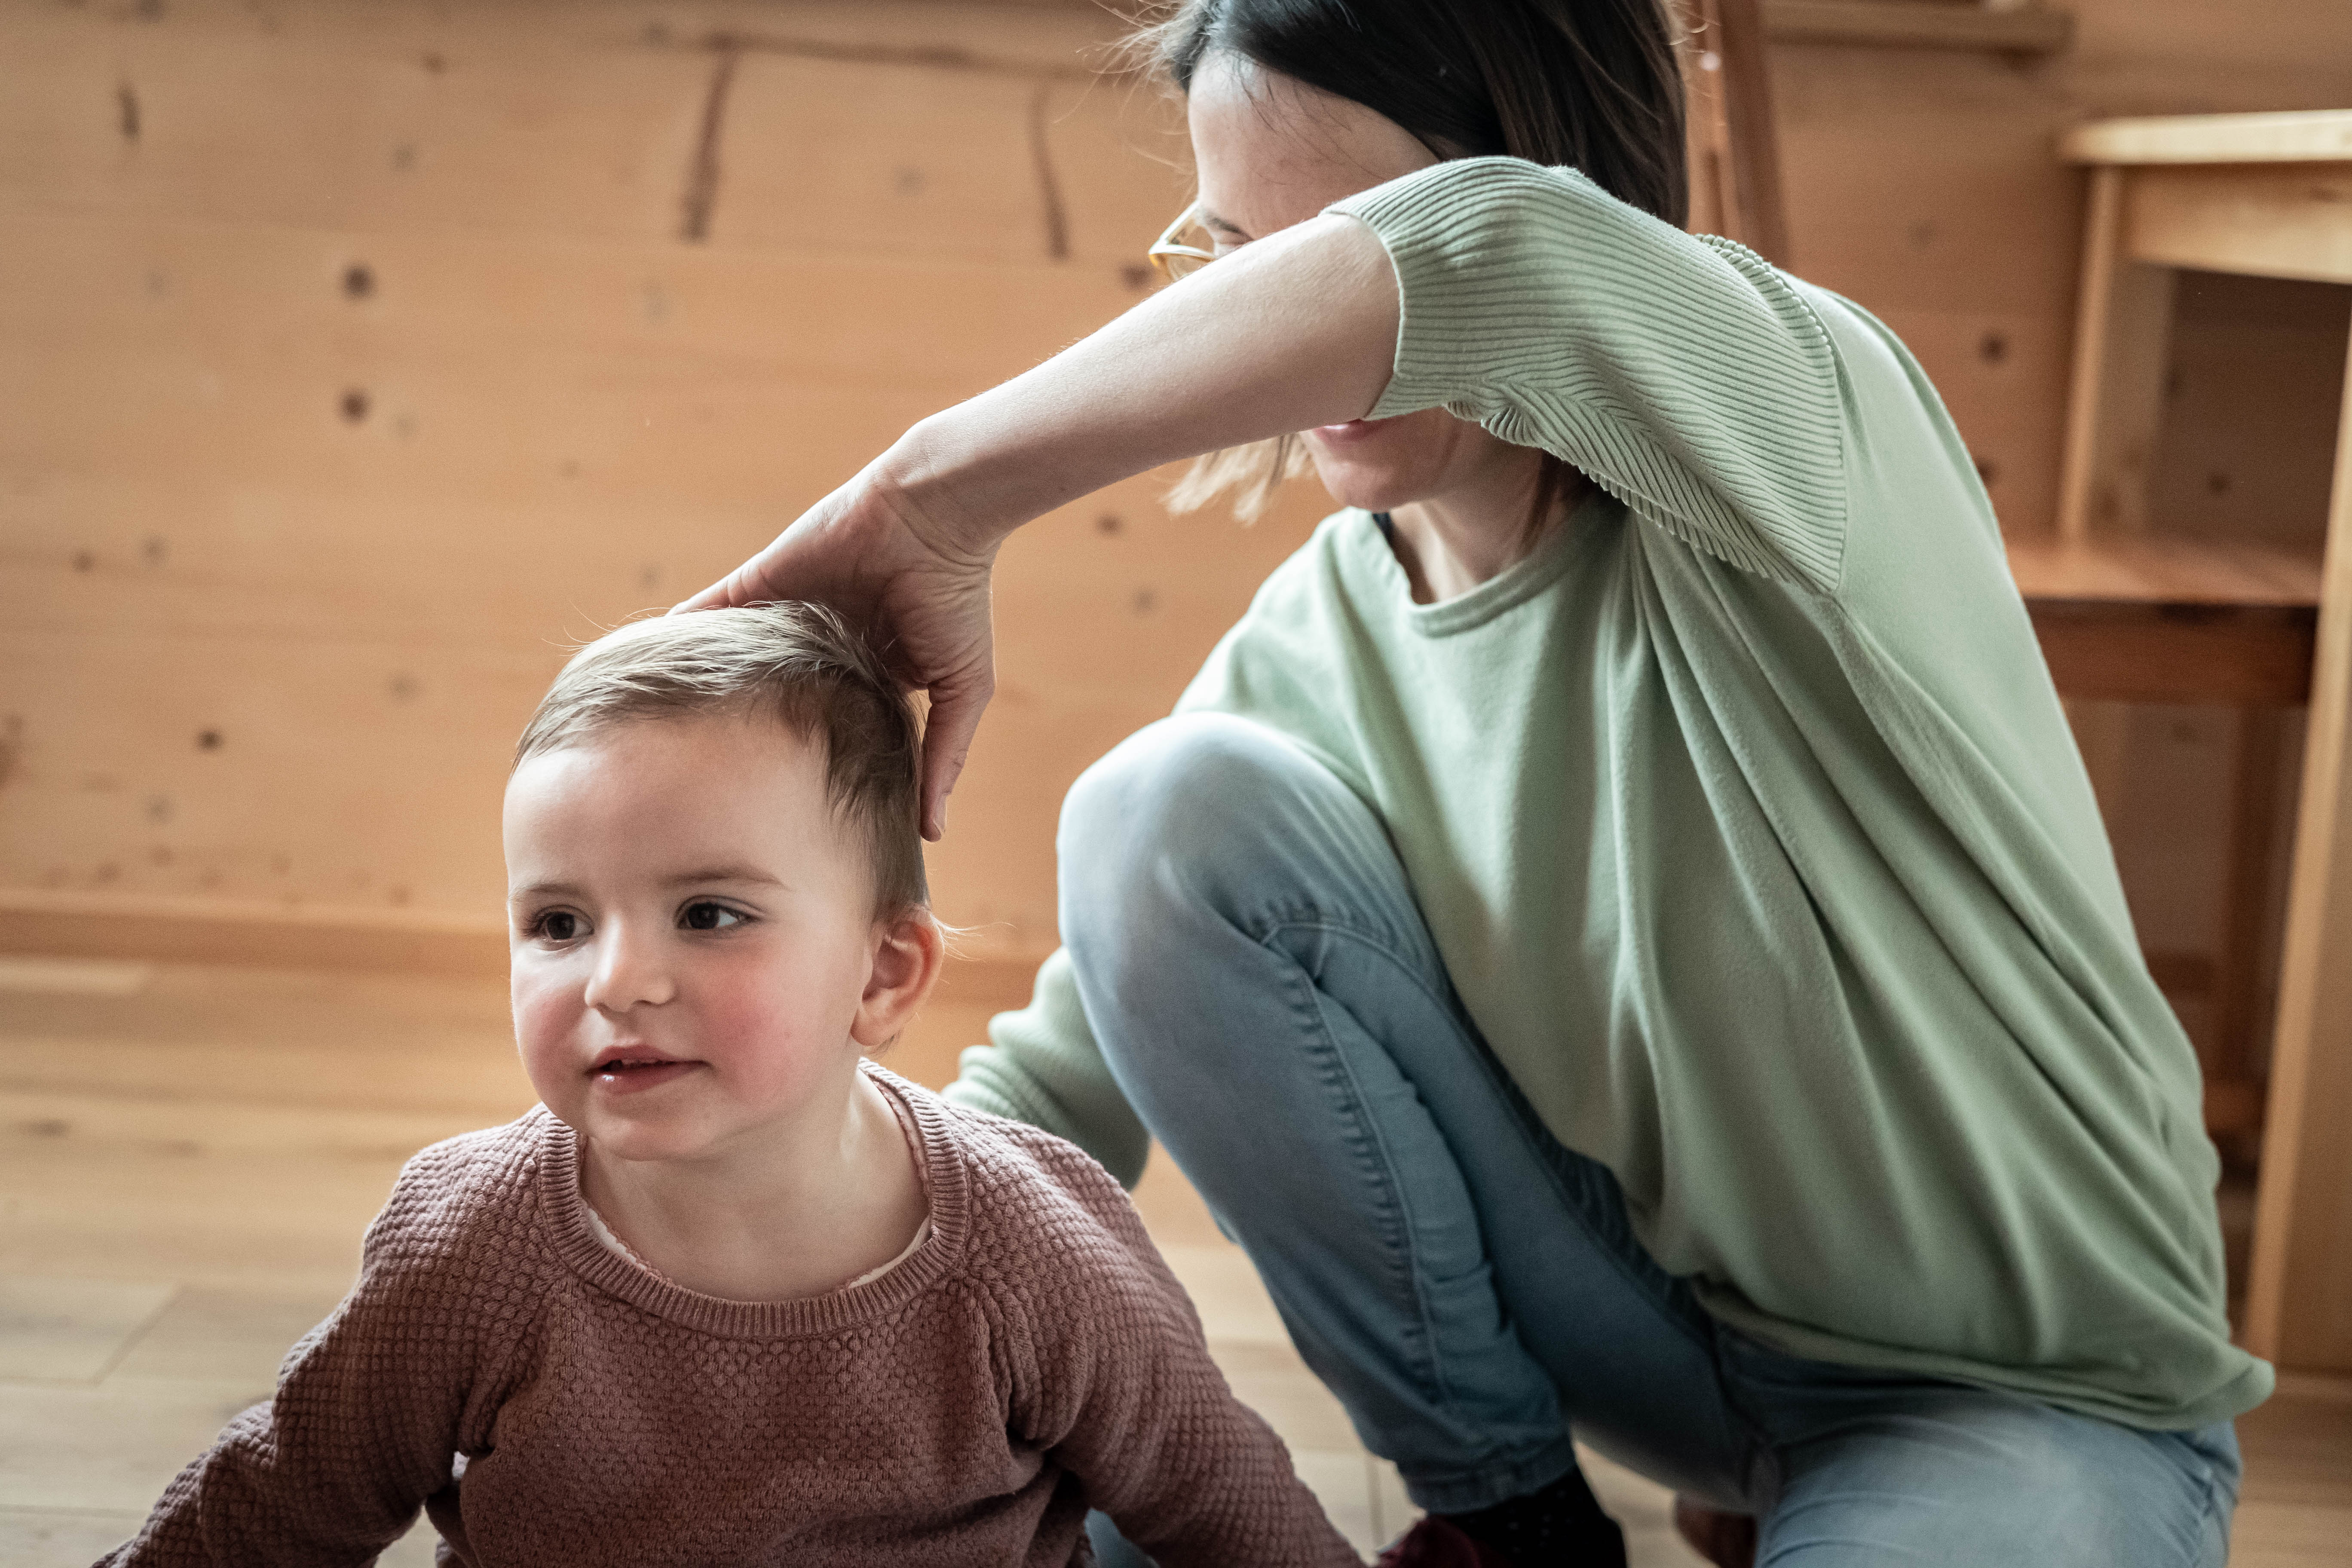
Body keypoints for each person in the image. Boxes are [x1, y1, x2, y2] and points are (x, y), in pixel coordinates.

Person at [678, 1, 2270, 1565]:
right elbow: (1059, 1093)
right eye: (1244, 258)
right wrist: (763, 1288)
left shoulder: (1808, 428)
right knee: (1158, 810)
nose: (1286, 339)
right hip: (1647, 1343)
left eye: (1333, 263)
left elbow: (1509, 252)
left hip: (2024, 1394)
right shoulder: (1321, 636)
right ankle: (1514, 1527)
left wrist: (932, 499)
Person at [101, 604, 1358, 1568]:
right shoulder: (469, 1247)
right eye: (556, 922)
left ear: (881, 974)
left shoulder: (1029, 1249)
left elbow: (1226, 1507)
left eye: (708, 914)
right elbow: (276, 1505)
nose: (619, 980)